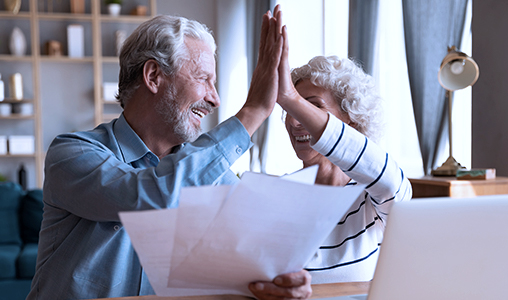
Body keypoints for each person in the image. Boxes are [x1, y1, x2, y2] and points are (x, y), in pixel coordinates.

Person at [27, 7, 312, 300]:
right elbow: (151, 196)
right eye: (204, 79)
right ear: (153, 76)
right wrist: (252, 112)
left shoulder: (212, 178)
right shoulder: (71, 153)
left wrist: (285, 280)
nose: (214, 99)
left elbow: (259, 249)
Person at [276, 29, 412, 282]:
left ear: (349, 120)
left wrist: (291, 98)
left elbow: (390, 179)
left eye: (311, 107)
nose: (294, 120)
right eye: (288, 109)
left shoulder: (373, 197)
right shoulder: (279, 192)